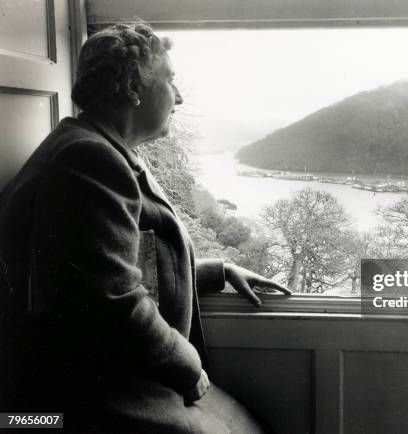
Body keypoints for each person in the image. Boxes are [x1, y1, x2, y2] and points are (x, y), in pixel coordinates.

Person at [0, 22, 290, 433]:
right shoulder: (87, 161)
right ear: (134, 87)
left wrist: (216, 271)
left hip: (111, 381)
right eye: (170, 80)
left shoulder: (101, 149)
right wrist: (186, 366)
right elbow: (111, 299)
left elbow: (107, 266)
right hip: (84, 401)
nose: (180, 96)